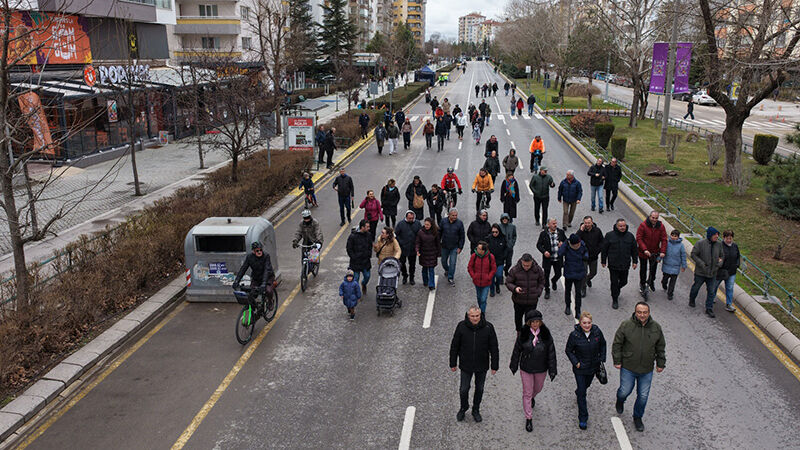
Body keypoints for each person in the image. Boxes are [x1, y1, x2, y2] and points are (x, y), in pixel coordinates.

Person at [613, 302, 666, 433]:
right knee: (624, 391)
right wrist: (617, 360)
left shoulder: (656, 328)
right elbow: (617, 344)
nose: (642, 315)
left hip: (646, 369)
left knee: (643, 396)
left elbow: (660, 347)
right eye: (639, 312)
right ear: (635, 312)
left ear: (649, 313)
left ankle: (637, 417)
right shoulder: (626, 325)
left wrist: (660, 363)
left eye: (645, 312)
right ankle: (620, 400)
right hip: (628, 367)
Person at [509, 309, 557, 433]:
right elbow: (517, 350)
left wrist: (552, 369)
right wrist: (514, 365)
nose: (535, 324)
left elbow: (551, 352)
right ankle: (528, 418)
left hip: (541, 368)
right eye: (533, 322)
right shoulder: (523, 334)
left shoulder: (546, 334)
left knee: (538, 388)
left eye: (537, 321)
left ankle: (532, 397)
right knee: (527, 393)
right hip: (526, 368)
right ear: (529, 323)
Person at [450, 305, 499, 423]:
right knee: (463, 389)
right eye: (472, 316)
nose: (475, 318)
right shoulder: (461, 326)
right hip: (466, 365)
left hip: (482, 365)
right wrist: (453, 362)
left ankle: (476, 409)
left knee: (480, 389)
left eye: (477, 316)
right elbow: (455, 345)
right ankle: (463, 407)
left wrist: (494, 365)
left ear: (480, 315)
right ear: (468, 316)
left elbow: (494, 347)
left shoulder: (488, 327)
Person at [565, 311, 607, 430]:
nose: (587, 325)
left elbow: (603, 344)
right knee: (583, 393)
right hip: (580, 369)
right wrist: (576, 363)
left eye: (589, 323)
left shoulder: (597, 332)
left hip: (593, 367)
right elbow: (568, 350)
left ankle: (578, 392)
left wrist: (602, 358)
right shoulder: (574, 335)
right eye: (584, 323)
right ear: (580, 323)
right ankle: (583, 418)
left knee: (586, 386)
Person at [601, 218, 639, 309]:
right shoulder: (609, 235)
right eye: (620, 226)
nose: (622, 228)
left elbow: (634, 250)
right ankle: (615, 299)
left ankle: (616, 290)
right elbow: (604, 249)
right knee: (614, 282)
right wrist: (603, 261)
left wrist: (635, 261)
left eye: (624, 226)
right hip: (613, 264)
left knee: (624, 281)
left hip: (625, 264)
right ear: (616, 226)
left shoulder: (630, 236)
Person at [689, 226, 724, 317]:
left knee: (712, 291)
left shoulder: (719, 245)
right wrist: (701, 264)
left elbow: (722, 256)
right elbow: (693, 254)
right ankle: (692, 299)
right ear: (710, 235)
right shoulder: (700, 243)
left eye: (717, 235)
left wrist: (719, 265)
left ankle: (709, 308)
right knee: (696, 287)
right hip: (701, 272)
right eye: (715, 235)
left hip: (713, 273)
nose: (717, 236)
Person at [505, 254, 545, 331]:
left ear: (532, 262)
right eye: (524, 265)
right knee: (518, 318)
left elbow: (542, 281)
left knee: (530, 320)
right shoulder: (515, 270)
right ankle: (519, 333)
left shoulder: (538, 270)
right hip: (518, 300)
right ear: (521, 262)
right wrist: (515, 288)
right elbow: (508, 282)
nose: (526, 267)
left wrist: (538, 292)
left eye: (528, 265)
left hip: (532, 300)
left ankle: (528, 334)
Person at [635, 211, 668, 300]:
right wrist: (645, 249)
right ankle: (642, 284)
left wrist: (662, 251)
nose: (654, 220)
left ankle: (651, 281)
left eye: (656, 218)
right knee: (643, 269)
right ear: (649, 217)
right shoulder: (643, 225)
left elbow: (664, 239)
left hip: (655, 252)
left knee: (653, 269)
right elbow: (639, 238)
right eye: (653, 218)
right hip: (643, 252)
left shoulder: (661, 227)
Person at [559, 234, 588, 320]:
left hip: (579, 272)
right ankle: (568, 306)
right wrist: (565, 244)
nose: (576, 246)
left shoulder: (582, 244)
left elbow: (586, 251)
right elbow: (560, 253)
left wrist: (586, 256)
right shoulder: (567, 246)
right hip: (569, 272)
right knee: (567, 290)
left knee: (578, 293)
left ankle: (578, 310)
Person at [537, 218, 566, 300]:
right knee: (546, 275)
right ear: (548, 225)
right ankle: (547, 290)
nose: (555, 225)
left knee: (559, 274)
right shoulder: (543, 234)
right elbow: (538, 245)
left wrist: (563, 244)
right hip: (548, 259)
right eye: (553, 224)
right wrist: (544, 252)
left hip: (558, 258)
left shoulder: (560, 232)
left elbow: (566, 241)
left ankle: (554, 280)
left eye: (556, 223)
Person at [577, 216, 604, 298]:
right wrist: (580, 231)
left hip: (593, 256)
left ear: (592, 222)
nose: (587, 225)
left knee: (593, 272)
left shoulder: (597, 231)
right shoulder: (581, 231)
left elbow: (602, 242)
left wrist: (597, 250)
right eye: (586, 223)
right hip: (583, 257)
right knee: (583, 274)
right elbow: (574, 240)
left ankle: (588, 279)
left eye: (589, 223)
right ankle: (583, 288)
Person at [468, 241, 497, 313]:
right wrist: (473, 276)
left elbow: (493, 269)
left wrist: (489, 277)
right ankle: (480, 309)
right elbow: (470, 267)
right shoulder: (474, 256)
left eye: (479, 248)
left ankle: (482, 314)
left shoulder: (491, 257)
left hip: (486, 282)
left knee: (483, 299)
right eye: (477, 248)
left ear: (483, 250)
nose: (477, 249)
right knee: (479, 297)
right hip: (477, 281)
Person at [440, 208, 465, 286]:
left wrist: (460, 247)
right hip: (444, 246)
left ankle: (450, 277)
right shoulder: (443, 221)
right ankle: (447, 270)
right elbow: (439, 233)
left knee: (452, 263)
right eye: (453, 215)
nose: (455, 217)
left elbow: (462, 236)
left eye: (456, 215)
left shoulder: (459, 223)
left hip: (454, 247)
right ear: (449, 215)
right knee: (443, 261)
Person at [717, 230, 741, 313]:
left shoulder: (735, 246)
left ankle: (729, 304)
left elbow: (738, 256)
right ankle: (711, 297)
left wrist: (737, 265)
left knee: (730, 288)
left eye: (730, 238)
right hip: (721, 271)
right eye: (727, 238)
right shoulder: (719, 245)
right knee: (715, 285)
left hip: (732, 271)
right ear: (723, 238)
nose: (729, 240)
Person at [395, 210, 421, 285]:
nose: (411, 220)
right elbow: (396, 235)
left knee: (412, 265)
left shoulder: (417, 223)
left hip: (412, 248)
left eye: (412, 218)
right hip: (403, 248)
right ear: (406, 217)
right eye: (409, 218)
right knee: (402, 263)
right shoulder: (400, 224)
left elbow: (420, 234)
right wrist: (401, 242)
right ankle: (405, 275)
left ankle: (411, 277)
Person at [346, 219, 373, 293]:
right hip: (356, 262)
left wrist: (368, 254)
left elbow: (370, 246)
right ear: (362, 227)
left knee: (367, 276)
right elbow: (349, 248)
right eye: (367, 227)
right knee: (356, 279)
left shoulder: (368, 235)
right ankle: (357, 292)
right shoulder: (353, 236)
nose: (369, 228)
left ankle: (364, 284)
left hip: (365, 261)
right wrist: (353, 257)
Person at [660, 229, 686, 301]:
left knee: (672, 282)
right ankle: (664, 284)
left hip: (675, 267)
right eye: (672, 235)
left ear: (678, 237)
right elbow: (662, 251)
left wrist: (684, 266)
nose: (673, 237)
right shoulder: (667, 243)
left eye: (675, 236)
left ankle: (670, 293)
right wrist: (659, 258)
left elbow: (683, 256)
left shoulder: (681, 246)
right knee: (665, 279)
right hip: (667, 265)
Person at [416, 217, 441, 290]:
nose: (426, 226)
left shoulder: (435, 232)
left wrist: (439, 253)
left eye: (428, 225)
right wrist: (417, 250)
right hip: (423, 253)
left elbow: (438, 243)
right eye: (425, 224)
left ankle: (431, 284)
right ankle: (425, 281)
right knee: (424, 269)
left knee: (431, 269)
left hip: (432, 253)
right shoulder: (420, 232)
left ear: (431, 225)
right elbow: (418, 242)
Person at [487, 225, 508, 298]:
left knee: (499, 275)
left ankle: (497, 284)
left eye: (496, 232)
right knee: (491, 278)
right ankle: (492, 290)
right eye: (493, 232)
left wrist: (504, 256)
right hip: (490, 261)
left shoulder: (503, 238)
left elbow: (506, 248)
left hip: (500, 260)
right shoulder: (489, 238)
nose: (494, 233)